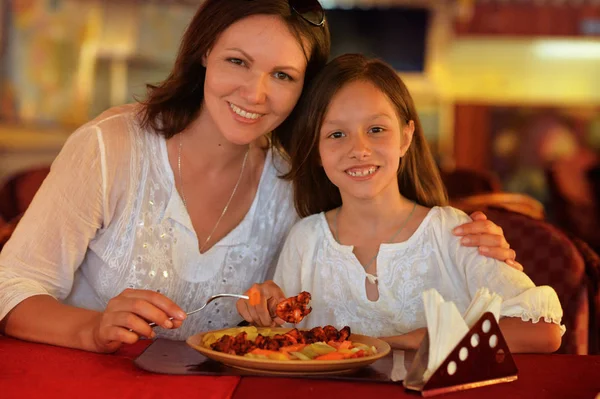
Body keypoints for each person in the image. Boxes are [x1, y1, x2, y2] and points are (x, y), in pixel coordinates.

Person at [0, 0, 520, 354]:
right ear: (204, 53)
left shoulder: (296, 180)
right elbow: (12, 288)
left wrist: (472, 245)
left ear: (304, 92)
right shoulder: (110, 146)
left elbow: (363, 267)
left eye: (283, 76)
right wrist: (93, 329)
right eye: (238, 61)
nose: (256, 93)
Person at [238, 54, 563, 353]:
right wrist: (263, 310)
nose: (359, 149)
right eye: (337, 135)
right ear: (317, 152)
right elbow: (279, 342)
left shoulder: (454, 232)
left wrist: (413, 340)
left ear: (406, 137)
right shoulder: (305, 240)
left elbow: (543, 330)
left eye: (376, 129)